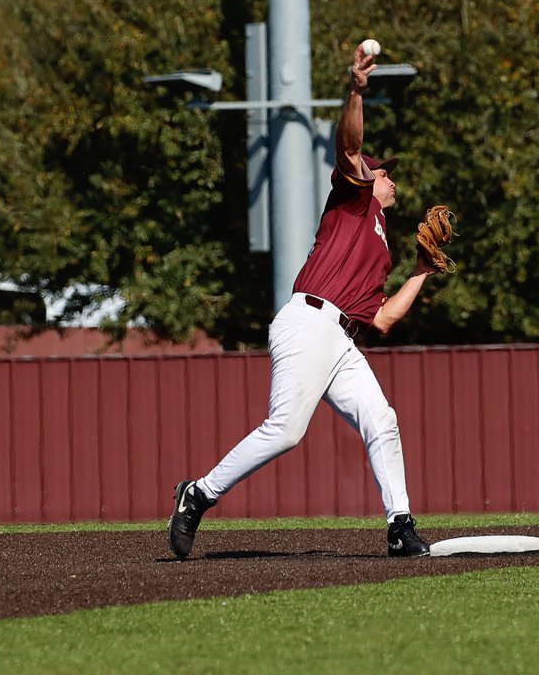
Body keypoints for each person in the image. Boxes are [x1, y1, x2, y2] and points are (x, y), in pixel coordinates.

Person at [169, 42, 441, 559]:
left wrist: (421, 273)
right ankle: (198, 495)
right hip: (309, 320)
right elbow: (347, 145)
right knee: (287, 430)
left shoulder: (381, 248)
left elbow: (383, 319)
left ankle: (400, 527)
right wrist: (356, 92)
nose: (390, 176)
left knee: (381, 419)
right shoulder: (353, 198)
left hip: (341, 339)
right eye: (386, 171)